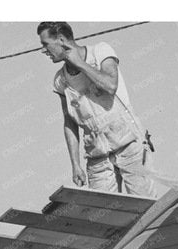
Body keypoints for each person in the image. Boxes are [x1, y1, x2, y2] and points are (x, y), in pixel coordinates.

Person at [38, 21, 154, 195]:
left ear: (61, 40)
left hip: (128, 144)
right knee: (103, 213)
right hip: (97, 154)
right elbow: (69, 122)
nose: (43, 50)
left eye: (45, 44)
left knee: (145, 207)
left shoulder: (100, 51)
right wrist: (75, 164)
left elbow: (110, 86)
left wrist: (79, 63)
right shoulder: (60, 80)